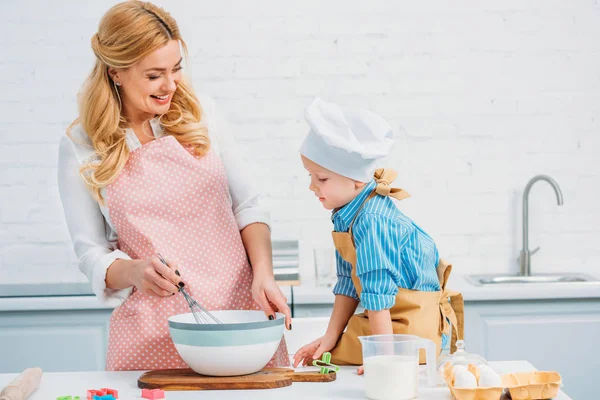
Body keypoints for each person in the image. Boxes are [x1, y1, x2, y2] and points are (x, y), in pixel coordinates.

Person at [57, 1, 290, 371]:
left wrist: (264, 272)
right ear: (116, 72)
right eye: (153, 75)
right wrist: (134, 271)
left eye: (176, 68)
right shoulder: (82, 144)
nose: (170, 85)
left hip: (239, 320)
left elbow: (248, 205)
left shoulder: (202, 114)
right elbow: (91, 253)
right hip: (151, 332)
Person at [292, 98, 464, 373]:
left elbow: (377, 296)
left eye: (321, 178)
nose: (312, 186)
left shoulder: (372, 221)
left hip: (412, 329)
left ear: (357, 180)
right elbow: (349, 284)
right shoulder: (347, 214)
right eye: (310, 175)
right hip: (386, 323)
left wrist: (384, 362)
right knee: (324, 357)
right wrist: (330, 338)